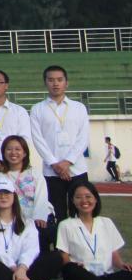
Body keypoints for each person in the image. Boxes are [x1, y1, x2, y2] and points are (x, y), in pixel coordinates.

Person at [29, 64, 90, 222]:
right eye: (51, 80)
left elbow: (83, 138)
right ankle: (59, 239)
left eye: (59, 80)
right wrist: (55, 164)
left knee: (81, 210)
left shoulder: (79, 107)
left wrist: (68, 161)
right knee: (57, 212)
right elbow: (38, 139)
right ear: (45, 82)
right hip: (52, 171)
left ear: (66, 83)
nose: (55, 83)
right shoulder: (37, 109)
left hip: (77, 169)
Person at [56, 180, 132, 280]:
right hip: (81, 276)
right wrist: (72, 264)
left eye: (88, 196)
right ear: (72, 201)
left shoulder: (106, 222)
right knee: (70, 269)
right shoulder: (65, 225)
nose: (84, 201)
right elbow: (64, 256)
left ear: (96, 199)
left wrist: (122, 265)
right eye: (78, 197)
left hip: (106, 275)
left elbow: (114, 253)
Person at [0, 134, 53, 240]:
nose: (13, 152)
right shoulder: (0, 177)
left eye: (17, 149)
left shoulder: (34, 173)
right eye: (9, 149)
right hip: (15, 221)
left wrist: (39, 216)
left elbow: (41, 196)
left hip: (39, 219)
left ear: (24, 153)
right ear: (3, 153)